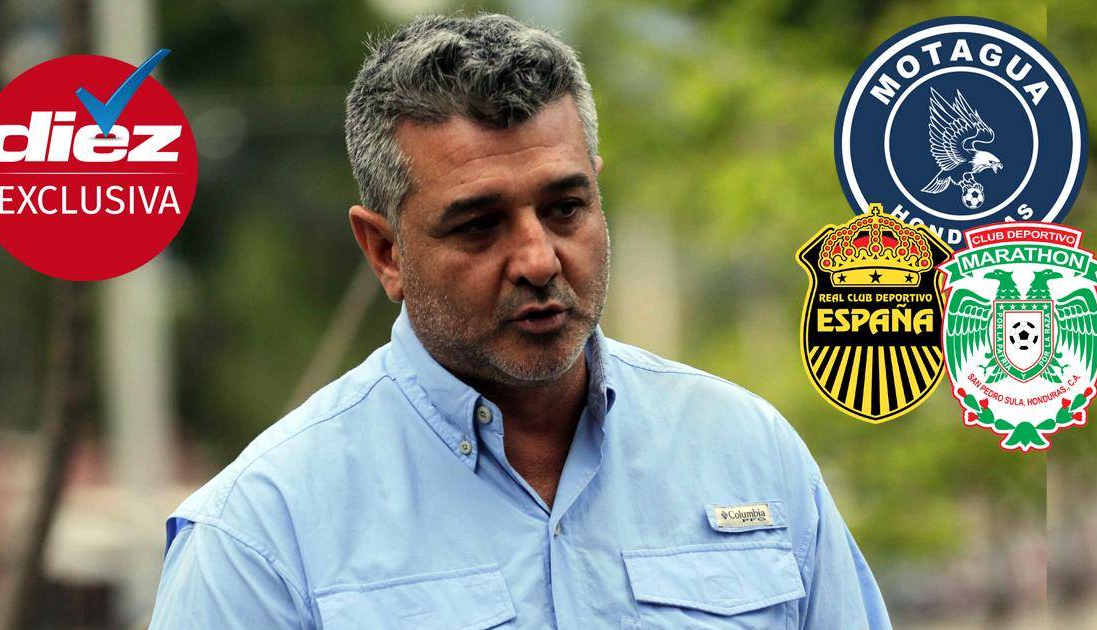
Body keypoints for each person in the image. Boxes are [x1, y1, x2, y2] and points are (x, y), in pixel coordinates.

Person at [150, 13, 891, 629]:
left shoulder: (750, 454)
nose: (538, 259)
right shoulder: (262, 533)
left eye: (565, 208)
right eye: (479, 225)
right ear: (385, 252)